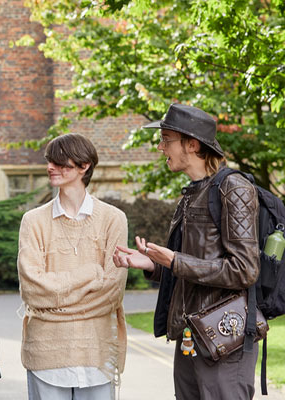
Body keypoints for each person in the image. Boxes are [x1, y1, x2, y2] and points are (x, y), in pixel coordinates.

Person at [113, 103, 261, 399]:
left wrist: (175, 260)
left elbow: (245, 269)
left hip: (223, 340)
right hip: (191, 336)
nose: (160, 147)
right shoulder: (192, 194)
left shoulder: (234, 189)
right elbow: (193, 266)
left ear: (192, 144)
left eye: (166, 139)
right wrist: (154, 265)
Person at [17, 133, 129, 400]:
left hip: (96, 354)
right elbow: (33, 290)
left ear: (84, 166)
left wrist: (54, 306)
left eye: (59, 162)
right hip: (46, 353)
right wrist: (90, 274)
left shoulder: (114, 219)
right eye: (49, 162)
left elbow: (112, 292)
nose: (50, 168)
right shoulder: (33, 221)